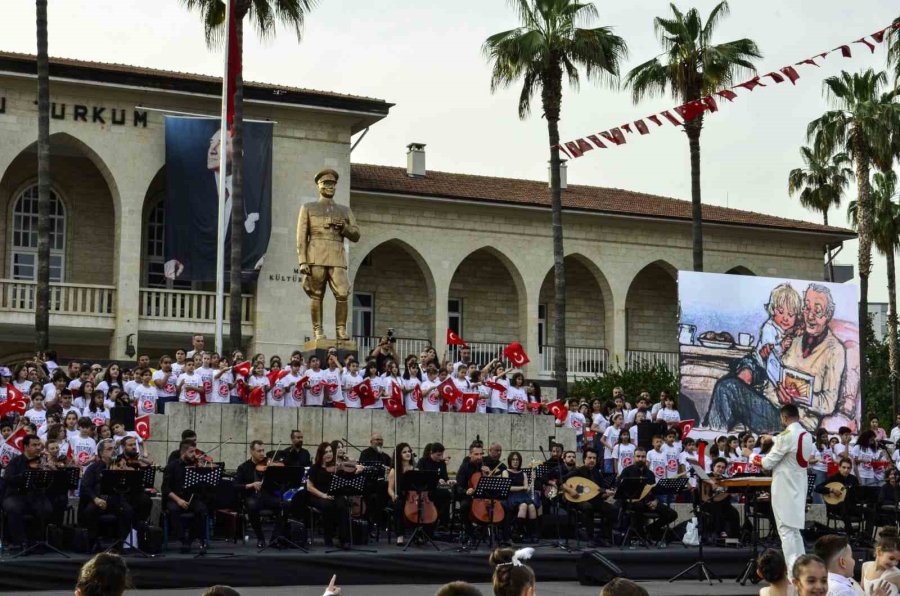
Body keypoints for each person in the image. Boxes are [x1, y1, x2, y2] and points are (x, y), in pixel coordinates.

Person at [745, 403, 814, 570]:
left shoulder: (785, 436)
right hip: (798, 487)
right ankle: (802, 570)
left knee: (786, 532)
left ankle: (792, 574)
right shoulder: (806, 435)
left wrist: (750, 454)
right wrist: (773, 438)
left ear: (783, 418)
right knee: (795, 532)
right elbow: (789, 441)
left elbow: (767, 463)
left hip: (784, 488)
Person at [296, 168, 360, 340]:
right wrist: (302, 261)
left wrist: (344, 228)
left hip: (337, 256)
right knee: (316, 294)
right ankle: (318, 330)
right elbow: (301, 237)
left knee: (342, 292)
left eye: (333, 184)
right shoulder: (308, 208)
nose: (330, 187)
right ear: (319, 186)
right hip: (315, 255)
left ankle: (341, 330)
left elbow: (356, 235)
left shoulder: (344, 210)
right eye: (326, 183)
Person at [79, 439, 134, 551]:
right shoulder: (93, 468)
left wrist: (124, 470)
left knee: (128, 510)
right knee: (90, 511)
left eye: (114, 449)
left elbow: (128, 487)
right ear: (101, 453)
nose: (113, 451)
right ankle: (93, 542)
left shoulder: (119, 466)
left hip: (115, 501)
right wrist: (95, 499)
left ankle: (120, 543)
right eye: (109, 449)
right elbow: (85, 486)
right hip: (98, 501)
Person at [307, 441, 363, 548]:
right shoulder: (315, 468)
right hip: (318, 495)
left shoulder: (336, 467)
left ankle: (344, 539)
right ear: (321, 454)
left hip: (335, 493)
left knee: (343, 505)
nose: (328, 454)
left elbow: (349, 473)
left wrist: (357, 469)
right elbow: (309, 487)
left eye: (330, 451)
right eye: (325, 452)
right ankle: (328, 538)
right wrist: (323, 495)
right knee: (328, 505)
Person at [2, 434, 54, 547]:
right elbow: (8, 479)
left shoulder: (42, 461)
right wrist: (26, 474)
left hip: (35, 495)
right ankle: (20, 541)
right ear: (25, 446)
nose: (38, 448)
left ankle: (36, 540)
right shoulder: (16, 462)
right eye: (34, 445)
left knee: (46, 508)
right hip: (16, 494)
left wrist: (50, 470)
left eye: (39, 445)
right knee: (14, 508)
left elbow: (48, 484)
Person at [617, 446, 678, 543]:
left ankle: (650, 529)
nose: (640, 459)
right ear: (633, 457)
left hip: (648, 503)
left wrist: (655, 501)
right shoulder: (627, 471)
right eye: (638, 456)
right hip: (632, 503)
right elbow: (620, 491)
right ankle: (640, 535)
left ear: (646, 458)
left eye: (643, 457)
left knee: (672, 514)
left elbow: (653, 491)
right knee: (639, 506)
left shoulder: (650, 474)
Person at [235, 440, 287, 548]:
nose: (262, 454)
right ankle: (260, 538)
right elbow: (236, 486)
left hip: (266, 495)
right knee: (252, 506)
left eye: (263, 450)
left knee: (285, 505)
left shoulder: (268, 464)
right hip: (251, 496)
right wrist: (251, 485)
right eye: (259, 451)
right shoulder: (243, 467)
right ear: (252, 452)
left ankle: (274, 538)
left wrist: (273, 472)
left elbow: (277, 485)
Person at [561, 447, 617, 546]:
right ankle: (590, 538)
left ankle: (602, 537)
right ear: (584, 459)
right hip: (578, 500)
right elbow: (561, 482)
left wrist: (607, 494)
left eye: (594, 458)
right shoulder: (578, 471)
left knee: (612, 509)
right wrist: (570, 490)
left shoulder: (597, 473)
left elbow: (600, 491)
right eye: (590, 458)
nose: (592, 460)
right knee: (588, 507)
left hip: (595, 500)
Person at [162, 439, 209, 554]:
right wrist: (178, 500)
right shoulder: (172, 467)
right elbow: (165, 488)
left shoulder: (195, 466)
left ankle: (191, 539)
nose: (195, 455)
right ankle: (183, 539)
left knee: (201, 509)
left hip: (191, 498)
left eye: (195, 452)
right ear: (183, 453)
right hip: (175, 499)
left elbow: (202, 488)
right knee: (174, 510)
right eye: (191, 452)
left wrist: (202, 470)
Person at [503, 451, 540, 543]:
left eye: (517, 460)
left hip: (523, 495)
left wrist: (533, 480)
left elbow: (527, 489)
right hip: (511, 496)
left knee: (531, 506)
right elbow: (508, 488)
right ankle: (517, 533)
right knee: (523, 505)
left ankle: (533, 534)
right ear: (510, 461)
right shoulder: (505, 472)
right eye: (513, 459)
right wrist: (522, 487)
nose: (515, 461)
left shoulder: (523, 473)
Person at [861, 527, 900, 595]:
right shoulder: (865, 566)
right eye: (891, 558)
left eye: (898, 560)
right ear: (879, 551)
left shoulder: (897, 575)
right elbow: (862, 591)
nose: (894, 564)